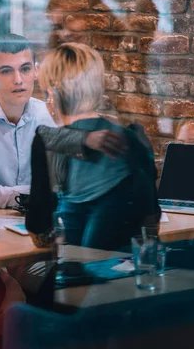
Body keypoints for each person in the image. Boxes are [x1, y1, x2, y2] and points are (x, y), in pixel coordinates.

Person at [0, 34, 128, 209]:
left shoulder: (49, 114)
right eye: (6, 71)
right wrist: (32, 194)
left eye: (25, 69)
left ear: (36, 71)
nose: (18, 80)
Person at [26, 43, 160, 251]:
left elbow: (39, 229)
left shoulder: (47, 142)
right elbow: (151, 220)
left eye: (45, 93)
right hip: (128, 271)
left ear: (52, 93)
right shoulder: (133, 139)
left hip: (80, 269)